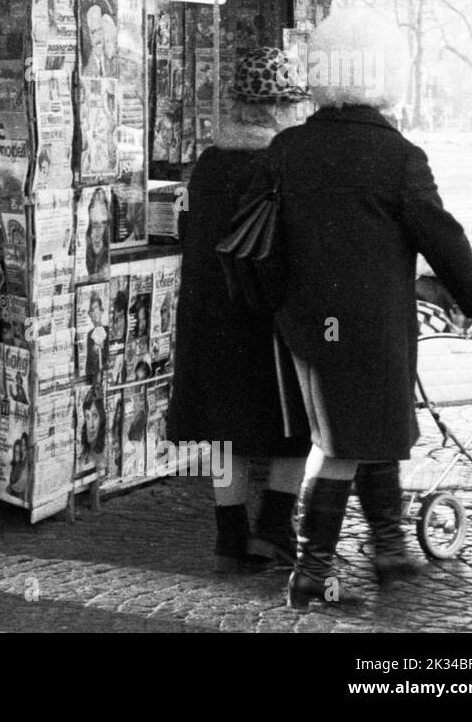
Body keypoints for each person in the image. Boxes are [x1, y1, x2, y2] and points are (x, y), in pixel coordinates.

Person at [242, 12, 472, 608]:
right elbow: (443, 236)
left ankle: (387, 551)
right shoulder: (397, 156)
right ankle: (315, 568)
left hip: (309, 325)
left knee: (359, 431)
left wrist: (279, 306)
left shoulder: (288, 149)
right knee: (347, 441)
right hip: (372, 327)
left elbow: (258, 243)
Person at [169, 47, 312, 574]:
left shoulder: (209, 162)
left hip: (210, 315)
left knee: (225, 426)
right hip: (266, 317)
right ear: (280, 108)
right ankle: (276, 523)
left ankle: (230, 533)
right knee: (293, 424)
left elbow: (192, 233)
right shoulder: (282, 163)